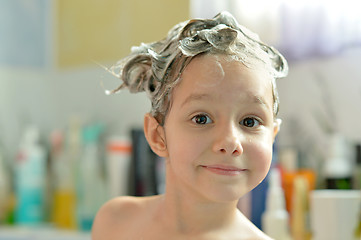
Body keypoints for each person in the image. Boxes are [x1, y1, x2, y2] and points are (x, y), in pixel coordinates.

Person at [92, 11, 288, 240]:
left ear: (272, 136)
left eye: (249, 121)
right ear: (158, 136)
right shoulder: (116, 222)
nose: (230, 142)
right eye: (201, 119)